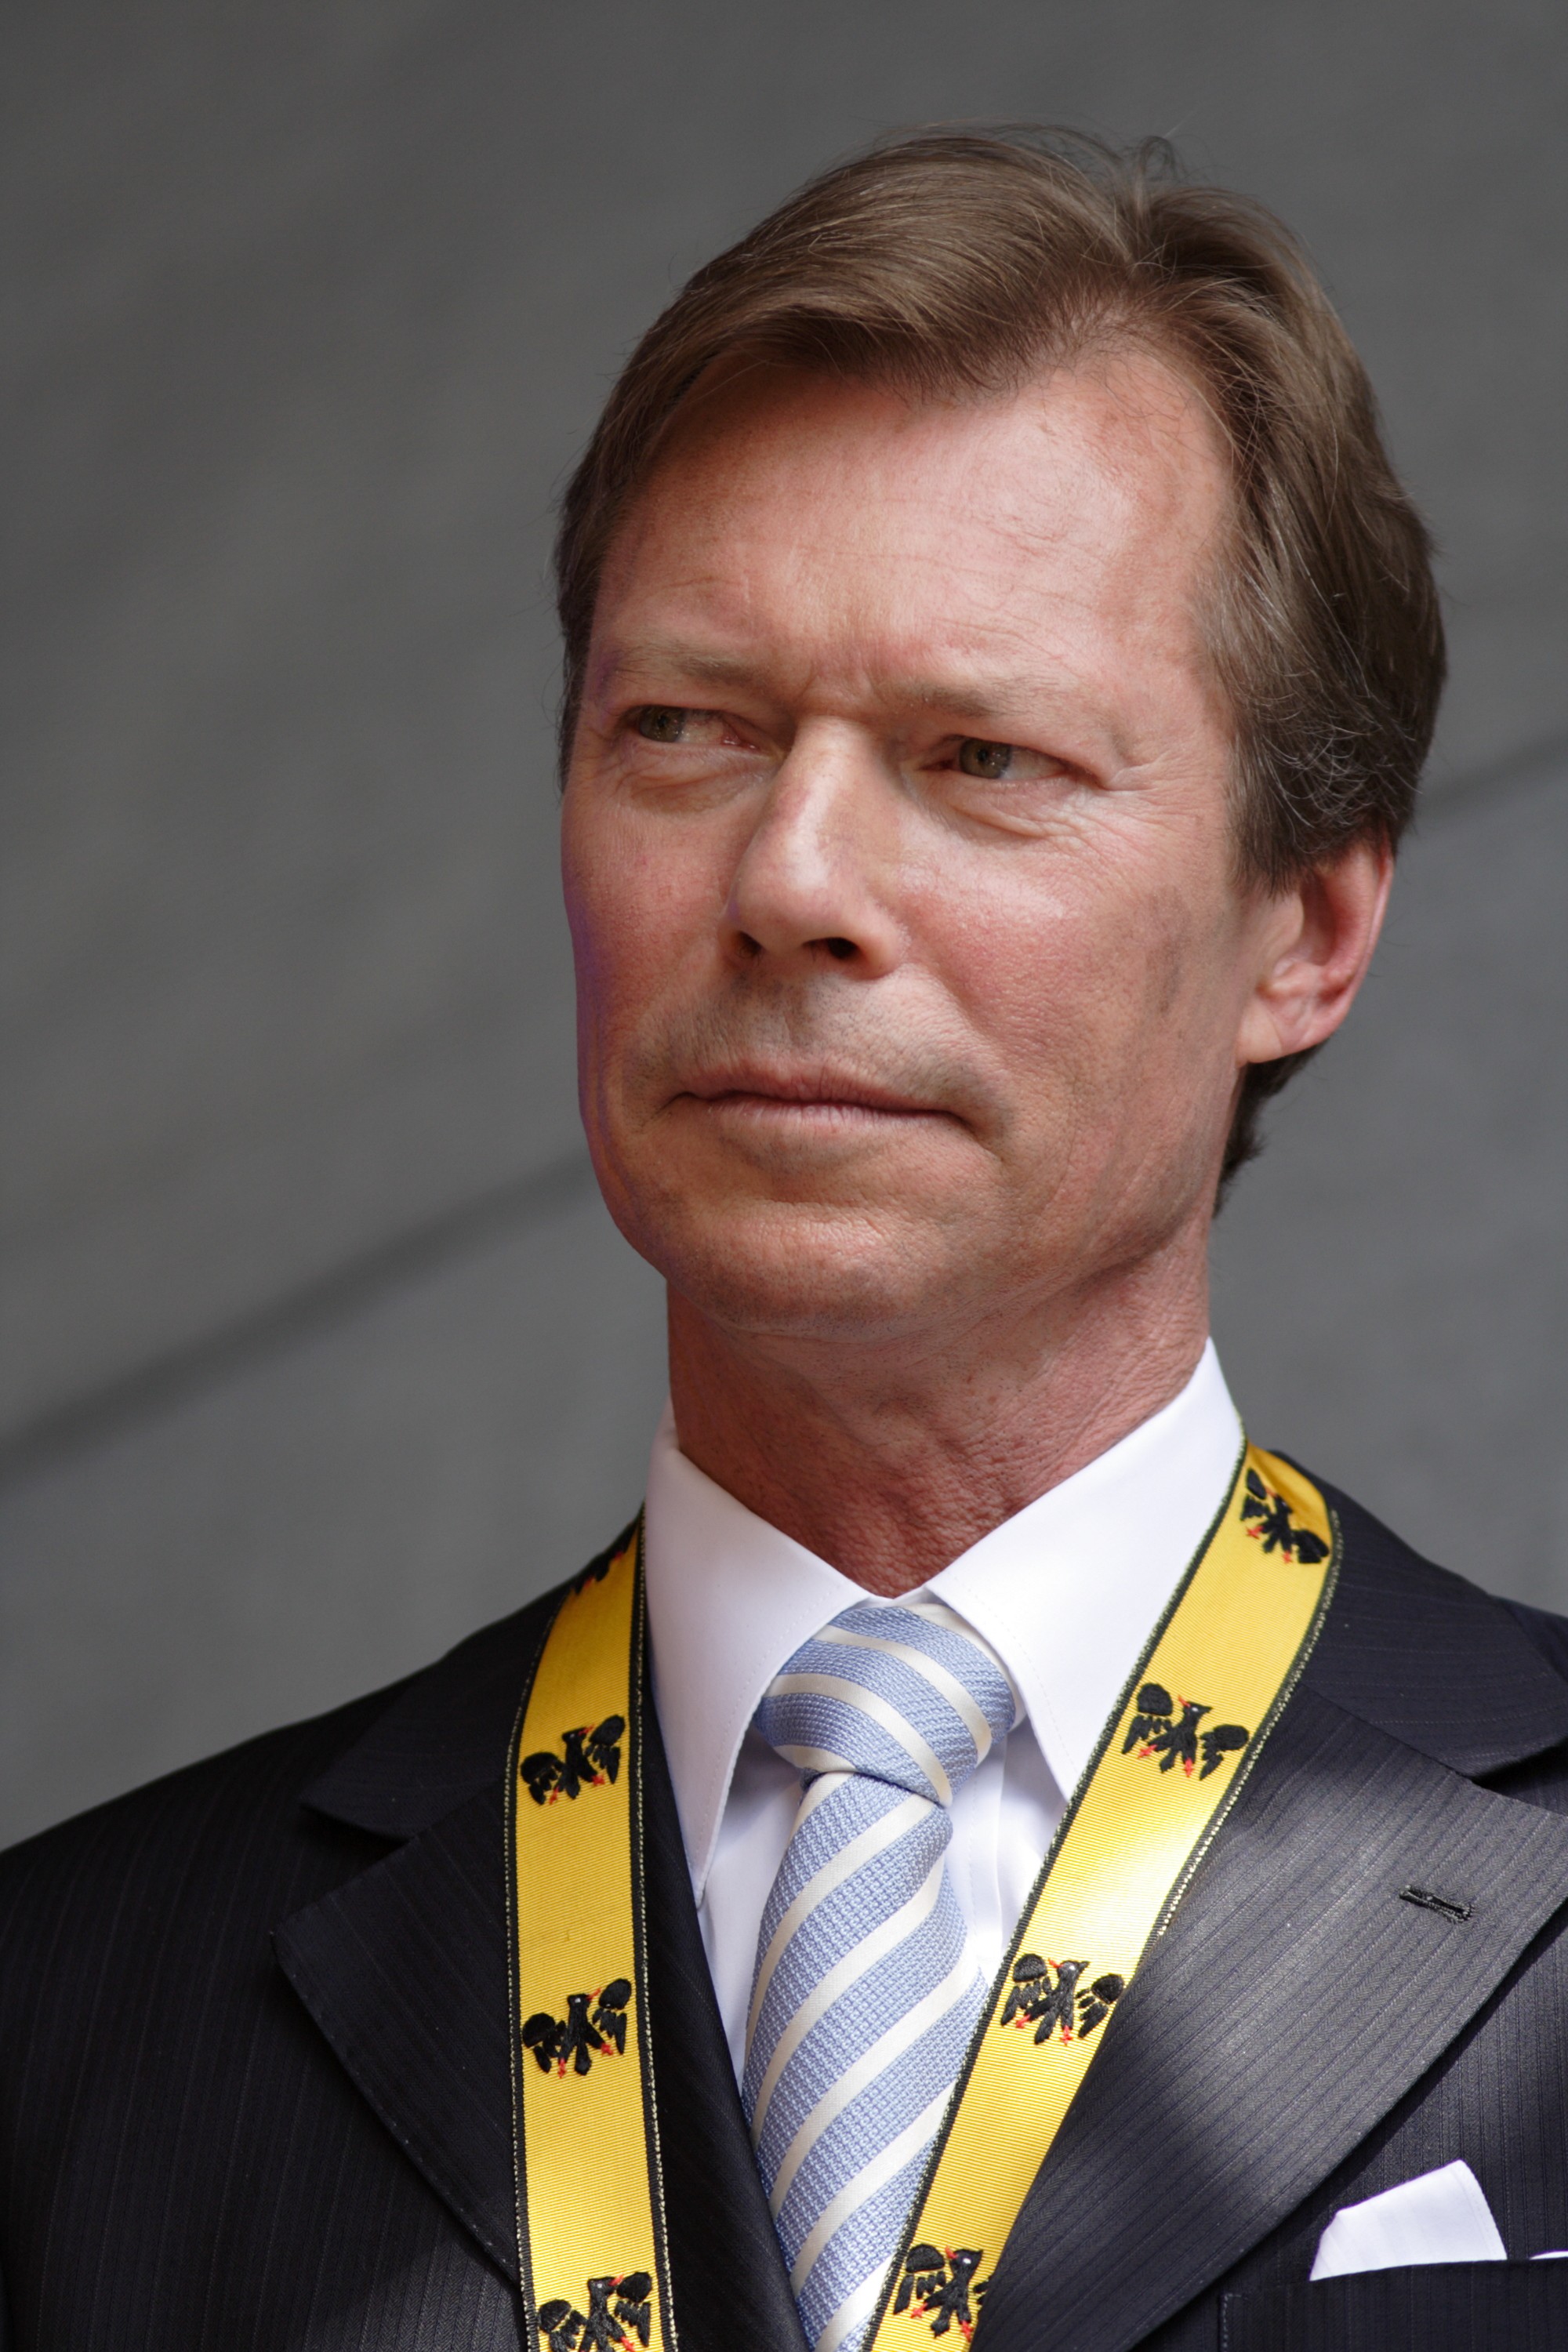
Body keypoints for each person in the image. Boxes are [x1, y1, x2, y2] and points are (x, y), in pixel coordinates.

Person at [2, 129, 1565, 2352]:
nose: (790, 877)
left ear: (1306, 929)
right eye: (687, 729)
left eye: (985, 757)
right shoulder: (68, 2019)